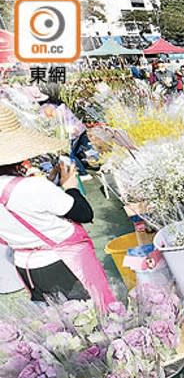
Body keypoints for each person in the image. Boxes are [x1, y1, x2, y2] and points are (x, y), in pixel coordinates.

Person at [0, 106, 115, 309]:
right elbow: (83, 213)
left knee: (62, 327)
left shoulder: (26, 187)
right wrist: (71, 187)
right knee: (97, 317)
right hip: (63, 264)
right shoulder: (32, 187)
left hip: (27, 267)